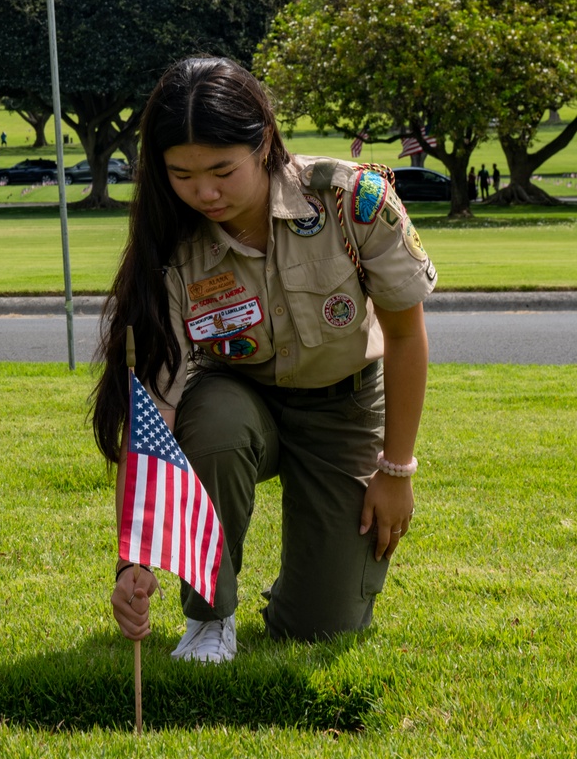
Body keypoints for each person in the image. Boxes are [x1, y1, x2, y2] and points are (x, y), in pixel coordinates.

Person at [93, 57, 435, 663]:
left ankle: (302, 591)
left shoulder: (352, 201)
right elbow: (158, 411)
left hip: (345, 406)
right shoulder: (172, 247)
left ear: (265, 142)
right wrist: (134, 557)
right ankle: (209, 615)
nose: (204, 192)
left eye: (222, 170)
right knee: (215, 424)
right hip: (238, 399)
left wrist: (396, 469)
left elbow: (406, 338)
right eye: (181, 174)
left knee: (321, 628)